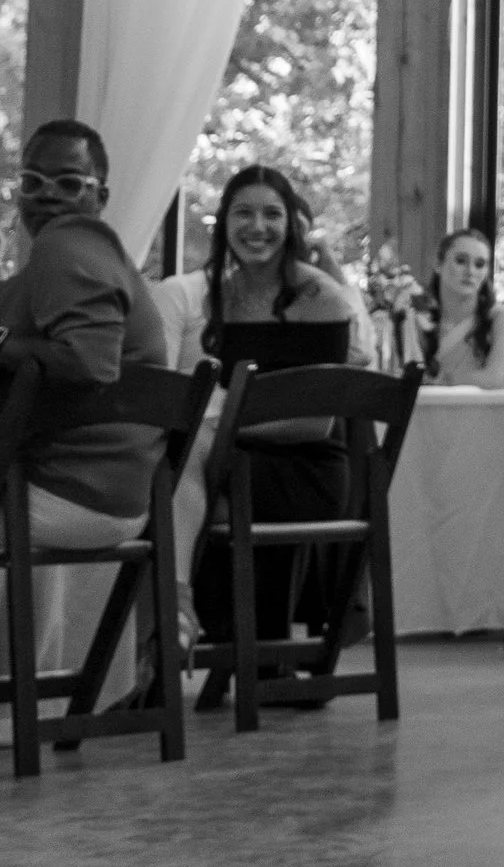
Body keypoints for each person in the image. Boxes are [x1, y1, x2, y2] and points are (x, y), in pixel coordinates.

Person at [187, 163, 364, 655]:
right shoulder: (221, 297)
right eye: (243, 213)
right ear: (224, 223)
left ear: (292, 226)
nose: (257, 227)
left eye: (271, 214)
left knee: (173, 491)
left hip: (308, 469)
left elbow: (316, 421)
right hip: (239, 460)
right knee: (166, 477)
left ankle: (191, 636)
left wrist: (222, 424)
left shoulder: (322, 297)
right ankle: (234, 645)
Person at [0, 118, 174, 559]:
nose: (47, 194)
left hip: (64, 491)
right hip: (115, 497)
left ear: (101, 196)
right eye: (32, 181)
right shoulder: (84, 260)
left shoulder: (67, 240)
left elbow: (89, 364)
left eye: (69, 182)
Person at [417, 224, 504, 389]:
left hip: (482, 413)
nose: (470, 271)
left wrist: (436, 381)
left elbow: (495, 379)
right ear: (439, 264)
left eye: (480, 264)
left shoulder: (503, 319)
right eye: (461, 261)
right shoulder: (416, 318)